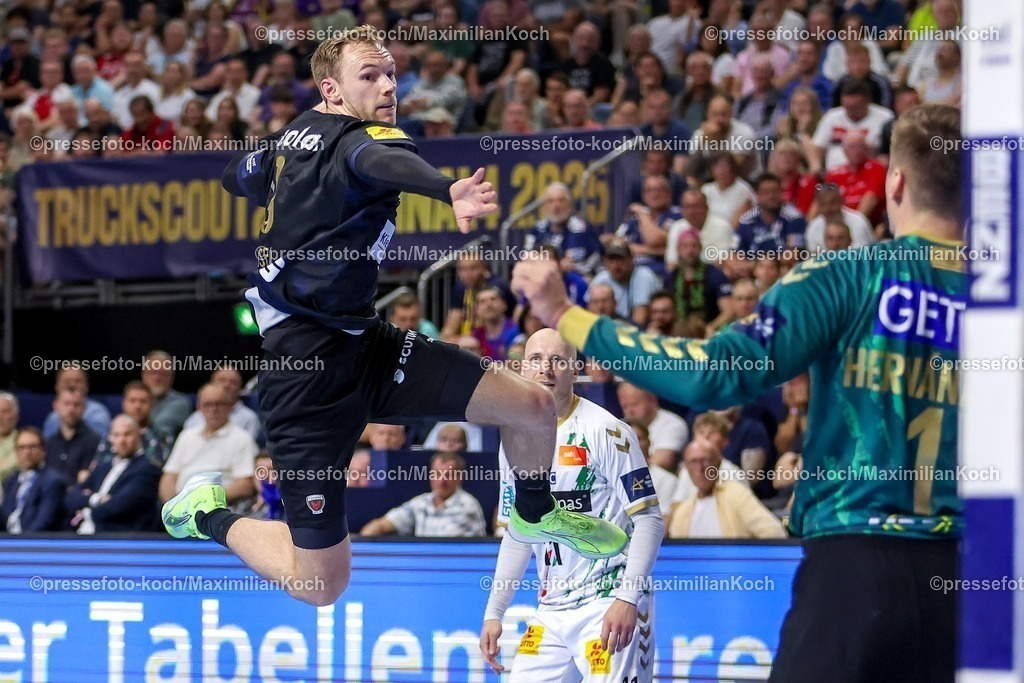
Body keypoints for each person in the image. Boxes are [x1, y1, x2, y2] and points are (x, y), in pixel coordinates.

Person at [162, 26, 626, 607]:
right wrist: (445, 189)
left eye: (391, 75)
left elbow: (235, 175)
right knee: (321, 584)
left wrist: (283, 152)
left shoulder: (294, 140)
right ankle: (207, 516)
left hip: (369, 345)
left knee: (532, 406)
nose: (388, 87)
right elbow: (374, 158)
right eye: (370, 76)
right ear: (330, 89)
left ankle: (534, 512)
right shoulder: (365, 138)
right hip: (306, 379)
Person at [512, 103, 963, 683]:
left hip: (856, 572)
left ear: (895, 182)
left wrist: (569, 316)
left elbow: (714, 372)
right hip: (981, 578)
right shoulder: (1008, 300)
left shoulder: (850, 275)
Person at [480, 329, 664, 681]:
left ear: (575, 368)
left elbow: (649, 519)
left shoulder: (607, 431)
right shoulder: (514, 438)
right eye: (536, 359)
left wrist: (627, 598)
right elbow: (519, 534)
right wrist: (495, 611)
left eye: (558, 360)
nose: (546, 368)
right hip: (551, 608)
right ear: (521, 367)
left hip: (607, 600)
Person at [158, 383, 258, 508]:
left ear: (230, 407)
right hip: (181, 510)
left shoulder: (242, 438)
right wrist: (173, 505)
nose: (213, 409)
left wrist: (203, 502)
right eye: (207, 404)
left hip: (218, 510)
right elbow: (169, 476)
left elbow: (245, 486)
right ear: (199, 407)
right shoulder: (186, 436)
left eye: (219, 404)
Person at [667, 438, 786, 539]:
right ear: (686, 467)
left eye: (705, 460)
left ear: (718, 463)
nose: (700, 468)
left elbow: (775, 533)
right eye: (694, 462)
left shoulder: (737, 495)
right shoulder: (682, 512)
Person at [65, 414, 162, 534]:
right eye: (116, 435)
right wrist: (96, 499)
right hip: (87, 534)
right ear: (110, 438)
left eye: (127, 434)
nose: (122, 441)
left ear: (139, 436)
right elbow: (70, 497)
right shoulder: (103, 467)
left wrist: (86, 511)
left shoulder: (147, 469)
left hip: (122, 540)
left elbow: (117, 507)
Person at [360, 451, 486, 537]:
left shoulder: (468, 506)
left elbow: (443, 549)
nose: (442, 480)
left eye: (448, 475)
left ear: (460, 477)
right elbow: (382, 524)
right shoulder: (420, 503)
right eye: (437, 474)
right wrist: (363, 544)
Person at [1, 428, 66, 533]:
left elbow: (44, 522)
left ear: (43, 451)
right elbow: (4, 517)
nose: (27, 452)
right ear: (16, 452)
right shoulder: (10, 481)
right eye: (22, 447)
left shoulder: (53, 482)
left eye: (32, 447)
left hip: (34, 543)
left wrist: (21, 542)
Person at [45, 389, 102, 486]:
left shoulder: (95, 441)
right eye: (66, 404)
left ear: (84, 408)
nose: (71, 410)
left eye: (76, 405)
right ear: (56, 406)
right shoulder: (49, 443)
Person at [141, 350, 192, 437]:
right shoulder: (135, 398)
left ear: (171, 377)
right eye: (153, 372)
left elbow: (159, 429)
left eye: (163, 374)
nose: (157, 378)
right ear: (143, 375)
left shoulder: (179, 403)